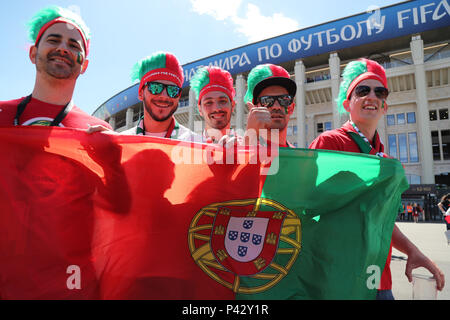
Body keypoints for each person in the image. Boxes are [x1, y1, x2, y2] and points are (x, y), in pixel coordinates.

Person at [309, 58, 445, 299]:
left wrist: (413, 251)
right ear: (347, 103)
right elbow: (310, 209)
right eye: (362, 90)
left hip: (379, 279)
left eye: (379, 92)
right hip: (338, 278)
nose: (372, 96)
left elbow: (380, 221)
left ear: (385, 107)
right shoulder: (330, 143)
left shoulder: (386, 159)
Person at [0, 6, 110, 130]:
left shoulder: (98, 132)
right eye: (53, 40)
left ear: (84, 65)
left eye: (73, 45)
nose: (63, 48)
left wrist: (109, 147)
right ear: (33, 53)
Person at [122, 51, 199, 141]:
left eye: (173, 90)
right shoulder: (121, 144)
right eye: (155, 88)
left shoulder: (196, 144)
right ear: (141, 93)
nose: (164, 96)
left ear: (179, 96)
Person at [243, 64, 297, 148]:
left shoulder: (298, 157)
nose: (276, 106)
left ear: (291, 108)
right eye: (267, 100)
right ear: (254, 108)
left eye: (284, 99)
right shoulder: (235, 151)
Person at [190, 66, 241, 145]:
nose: (216, 108)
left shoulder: (247, 147)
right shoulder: (189, 149)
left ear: (233, 105)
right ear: (200, 109)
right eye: (209, 102)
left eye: (222, 101)